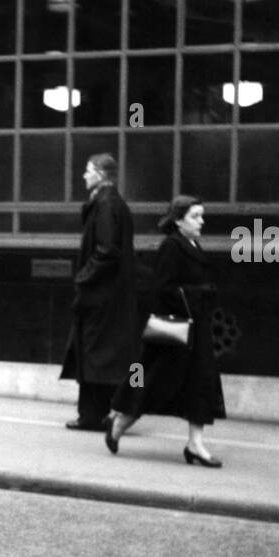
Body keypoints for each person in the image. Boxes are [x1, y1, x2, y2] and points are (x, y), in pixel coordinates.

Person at [106, 196, 226, 466]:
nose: (202, 221)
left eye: (202, 215)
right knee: (148, 383)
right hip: (175, 333)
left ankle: (195, 444)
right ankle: (119, 424)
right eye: (195, 216)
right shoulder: (171, 247)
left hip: (197, 332)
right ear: (178, 220)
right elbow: (161, 289)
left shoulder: (193, 244)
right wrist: (197, 297)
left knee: (200, 385)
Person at [59, 153, 139, 431]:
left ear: (102, 175)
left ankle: (97, 414)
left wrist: (84, 277)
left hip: (101, 296)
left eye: (88, 170)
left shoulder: (105, 205)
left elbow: (107, 250)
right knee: (102, 357)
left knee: (95, 354)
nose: (84, 175)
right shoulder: (112, 203)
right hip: (109, 296)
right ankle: (100, 413)